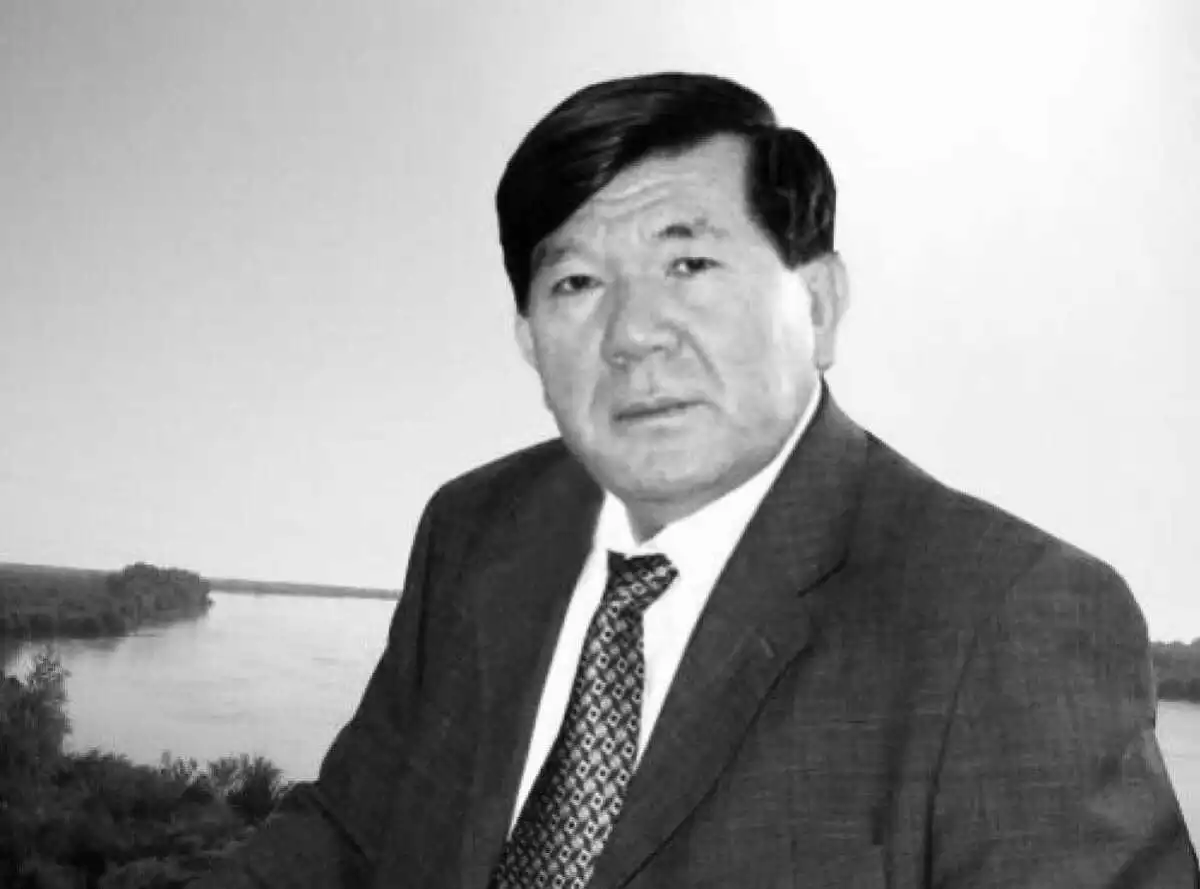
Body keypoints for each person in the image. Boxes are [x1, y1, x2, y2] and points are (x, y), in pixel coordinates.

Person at [193, 72, 1198, 888]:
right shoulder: (475, 528)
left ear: (818, 304)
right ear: (528, 341)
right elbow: (351, 832)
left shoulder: (1008, 619)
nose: (633, 334)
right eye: (576, 283)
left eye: (690, 265)